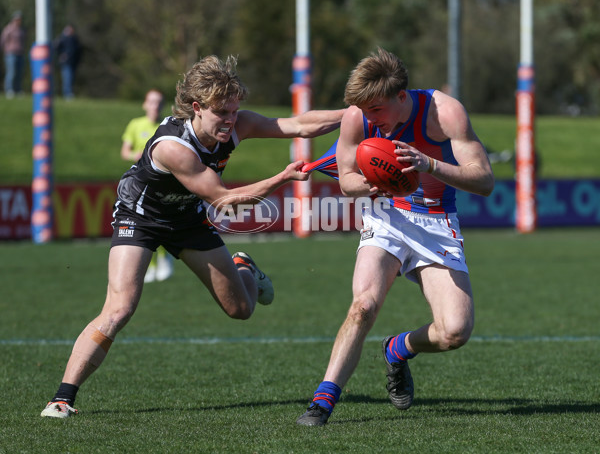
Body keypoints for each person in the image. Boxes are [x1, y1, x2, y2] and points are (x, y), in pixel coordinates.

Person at [40, 54, 344, 418]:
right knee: (120, 307)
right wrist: (281, 177)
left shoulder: (236, 124)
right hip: (140, 217)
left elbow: (297, 124)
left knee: (241, 309)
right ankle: (62, 398)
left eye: (234, 110)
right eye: (221, 112)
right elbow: (225, 200)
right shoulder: (173, 147)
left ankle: (243, 264)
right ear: (197, 108)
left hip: (187, 219)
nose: (230, 120)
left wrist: (355, 115)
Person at [297, 47, 494, 426]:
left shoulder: (444, 112)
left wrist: (430, 164)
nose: (370, 119)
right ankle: (322, 402)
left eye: (377, 111)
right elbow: (347, 179)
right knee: (364, 305)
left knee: (455, 331)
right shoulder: (358, 116)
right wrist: (370, 185)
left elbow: (484, 180)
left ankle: (398, 348)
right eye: (365, 111)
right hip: (386, 214)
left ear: (401, 97)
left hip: (436, 220)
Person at [120, 89, 175, 282]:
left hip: (164, 183)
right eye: (151, 102)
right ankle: (150, 266)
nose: (155, 106)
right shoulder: (136, 124)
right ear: (145, 104)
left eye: (159, 102)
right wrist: (135, 154)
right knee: (143, 225)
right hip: (139, 183)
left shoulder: (168, 124)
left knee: (159, 221)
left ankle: (163, 257)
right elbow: (124, 152)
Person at [1, 11, 25, 98]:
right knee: (11, 72)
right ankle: (9, 90)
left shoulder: (21, 30)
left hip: (20, 53)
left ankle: (18, 90)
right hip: (10, 54)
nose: (19, 21)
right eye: (17, 19)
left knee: (19, 73)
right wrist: (5, 50)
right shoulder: (9, 29)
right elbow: (3, 40)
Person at [54, 24, 81, 99]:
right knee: (67, 78)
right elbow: (56, 47)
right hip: (66, 62)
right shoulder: (62, 38)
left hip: (73, 62)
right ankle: (67, 94)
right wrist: (61, 55)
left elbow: (78, 50)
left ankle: (68, 93)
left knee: (71, 78)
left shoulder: (74, 39)